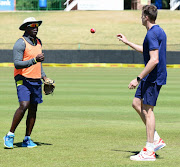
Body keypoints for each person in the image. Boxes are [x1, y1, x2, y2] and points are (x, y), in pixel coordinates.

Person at [117, 5, 167, 161]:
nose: (140, 18)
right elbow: (147, 52)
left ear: (146, 17)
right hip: (151, 76)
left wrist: (137, 78)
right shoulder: (158, 31)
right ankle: (156, 138)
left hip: (152, 77)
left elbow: (154, 59)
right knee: (136, 103)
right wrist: (127, 42)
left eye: (141, 15)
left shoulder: (152, 33)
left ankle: (149, 151)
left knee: (148, 110)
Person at [4, 17, 53, 148]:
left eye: (37, 26)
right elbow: (17, 63)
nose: (35, 28)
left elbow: (39, 64)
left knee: (33, 109)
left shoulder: (38, 42)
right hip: (22, 78)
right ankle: (9, 135)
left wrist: (44, 77)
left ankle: (27, 139)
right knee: (24, 105)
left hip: (36, 79)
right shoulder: (20, 43)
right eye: (32, 26)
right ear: (26, 27)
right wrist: (34, 60)